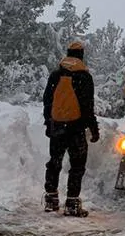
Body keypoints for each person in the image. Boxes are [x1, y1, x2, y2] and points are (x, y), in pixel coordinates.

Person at [43, 41, 100, 216]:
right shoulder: (84, 77)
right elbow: (87, 106)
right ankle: (72, 204)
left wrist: (48, 123)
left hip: (57, 126)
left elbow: (47, 101)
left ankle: (51, 200)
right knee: (77, 166)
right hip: (76, 129)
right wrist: (93, 128)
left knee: (54, 162)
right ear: (81, 55)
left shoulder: (55, 75)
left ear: (68, 54)